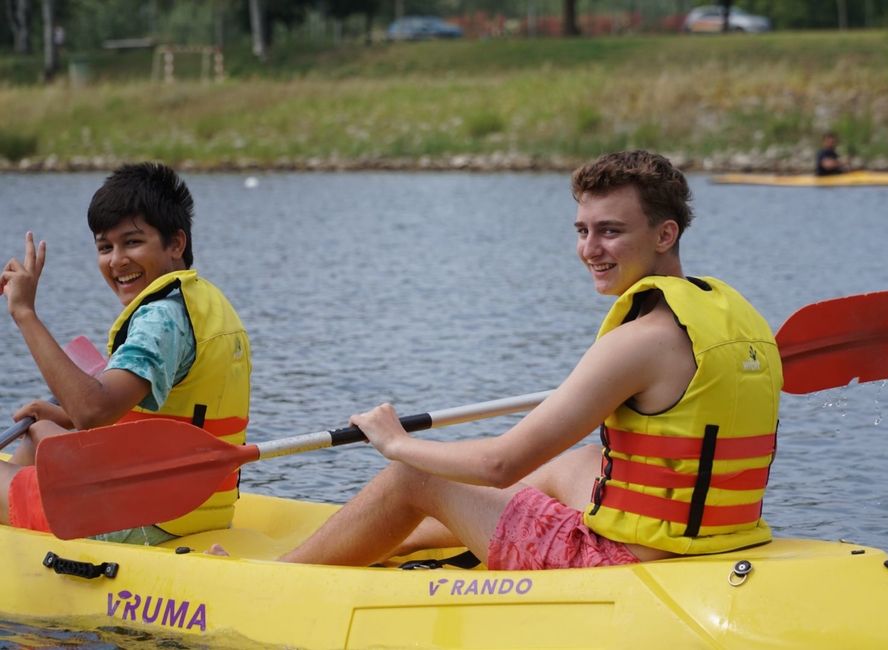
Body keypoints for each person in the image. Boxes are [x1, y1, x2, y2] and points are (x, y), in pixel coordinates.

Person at [212, 150, 782, 569]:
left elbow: (498, 467)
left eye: (611, 232)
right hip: (715, 537)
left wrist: (393, 440)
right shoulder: (734, 316)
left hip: (619, 564)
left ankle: (280, 574)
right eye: (583, 231)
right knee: (578, 462)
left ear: (665, 234)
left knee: (414, 476)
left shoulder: (637, 342)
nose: (590, 249)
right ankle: (402, 539)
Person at [0, 162, 251, 544]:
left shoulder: (161, 319)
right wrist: (66, 418)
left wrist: (24, 313)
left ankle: (21, 528)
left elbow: (94, 411)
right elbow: (115, 415)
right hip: (193, 511)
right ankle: (21, 533)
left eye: (132, 242)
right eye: (105, 247)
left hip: (142, 518)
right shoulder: (201, 302)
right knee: (38, 430)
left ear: (176, 244)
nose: (116, 260)